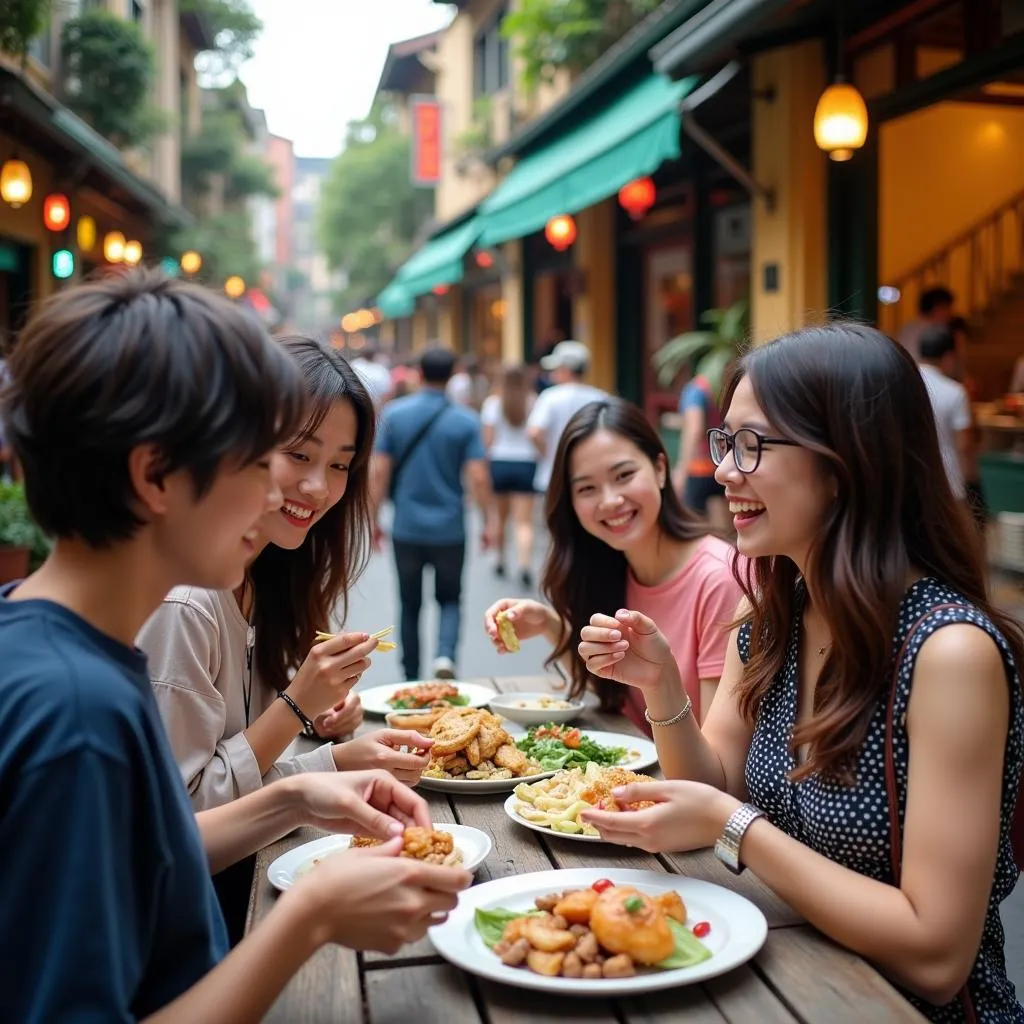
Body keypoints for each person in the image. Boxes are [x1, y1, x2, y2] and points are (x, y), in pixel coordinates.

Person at [0, 271, 471, 1021]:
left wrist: (295, 791)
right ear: (155, 473)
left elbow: (144, 866)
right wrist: (308, 918)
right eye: (260, 462)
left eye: (336, 467)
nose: (293, 494)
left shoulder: (55, 651)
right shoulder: (78, 718)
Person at [576, 324, 1024, 1023]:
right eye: (726, 443)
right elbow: (709, 786)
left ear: (846, 460)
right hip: (780, 982)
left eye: (751, 445)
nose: (723, 470)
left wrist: (737, 827)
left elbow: (936, 959)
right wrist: (661, 687)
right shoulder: (776, 614)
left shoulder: (947, 653)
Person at [137, 338, 435, 940]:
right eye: (298, 455)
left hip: (257, 880)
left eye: (339, 465)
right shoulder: (188, 602)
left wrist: (329, 747)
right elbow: (186, 823)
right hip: (202, 925)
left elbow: (244, 773)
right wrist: (295, 705)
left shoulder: (267, 573)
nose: (319, 489)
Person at [485, 398, 743, 734]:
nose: (609, 500)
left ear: (660, 469)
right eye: (587, 488)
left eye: (624, 475)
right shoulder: (609, 565)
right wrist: (549, 624)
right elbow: (607, 686)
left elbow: (715, 771)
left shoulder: (720, 579)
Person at [372, 345, 494, 680]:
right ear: (453, 374)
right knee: (450, 598)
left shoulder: (395, 415)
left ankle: (410, 675)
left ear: (419, 373)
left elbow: (380, 471)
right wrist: (489, 521)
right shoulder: (466, 420)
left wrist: (372, 519)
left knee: (409, 602)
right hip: (450, 528)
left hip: (406, 527)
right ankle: (445, 657)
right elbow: (479, 476)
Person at [481, 363, 537, 588]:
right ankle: (524, 565)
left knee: (499, 517)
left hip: (500, 462)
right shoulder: (533, 401)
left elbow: (487, 440)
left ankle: (500, 559)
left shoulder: (493, 403)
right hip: (526, 463)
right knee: (524, 522)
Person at [526, 340, 606, 492]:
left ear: (565, 369)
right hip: (591, 474)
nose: (552, 373)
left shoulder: (549, 397)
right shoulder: (599, 397)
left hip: (553, 475)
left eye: (556, 369)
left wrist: (547, 453)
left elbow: (534, 432)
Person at [917, 324, 975, 511]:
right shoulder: (955, 392)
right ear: (949, 357)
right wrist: (969, 480)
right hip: (948, 479)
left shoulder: (901, 382)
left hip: (911, 476)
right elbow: (964, 444)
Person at [672, 372, 731, 535]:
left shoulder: (695, 390)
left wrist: (681, 471)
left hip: (699, 467)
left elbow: (694, 428)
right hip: (722, 463)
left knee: (696, 526)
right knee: (725, 520)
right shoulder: (720, 387)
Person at [898, 285, 955, 360]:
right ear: (938, 309)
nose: (951, 314)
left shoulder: (907, 328)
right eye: (948, 309)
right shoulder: (938, 331)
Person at [350, 341, 393, 407]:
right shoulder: (354, 365)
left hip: (370, 407)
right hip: (358, 405)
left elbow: (386, 393)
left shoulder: (381, 369)